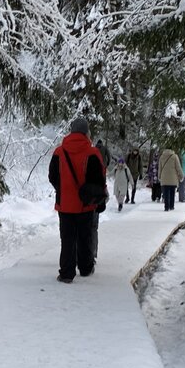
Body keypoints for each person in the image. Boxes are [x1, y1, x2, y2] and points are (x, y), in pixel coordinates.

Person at [49, 118, 107, 283]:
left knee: (67, 239)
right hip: (85, 205)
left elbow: (52, 176)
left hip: (65, 205)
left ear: (71, 131)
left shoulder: (59, 152)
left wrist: (63, 189)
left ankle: (66, 273)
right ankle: (85, 268)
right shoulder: (93, 153)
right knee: (85, 237)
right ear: (86, 132)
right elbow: (99, 180)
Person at [159, 146, 184, 211]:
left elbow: (160, 168)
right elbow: (178, 167)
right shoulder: (175, 156)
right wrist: (181, 176)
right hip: (173, 178)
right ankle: (171, 206)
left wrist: (159, 176)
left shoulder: (162, 156)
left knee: (166, 193)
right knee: (172, 193)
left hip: (164, 177)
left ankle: (166, 207)